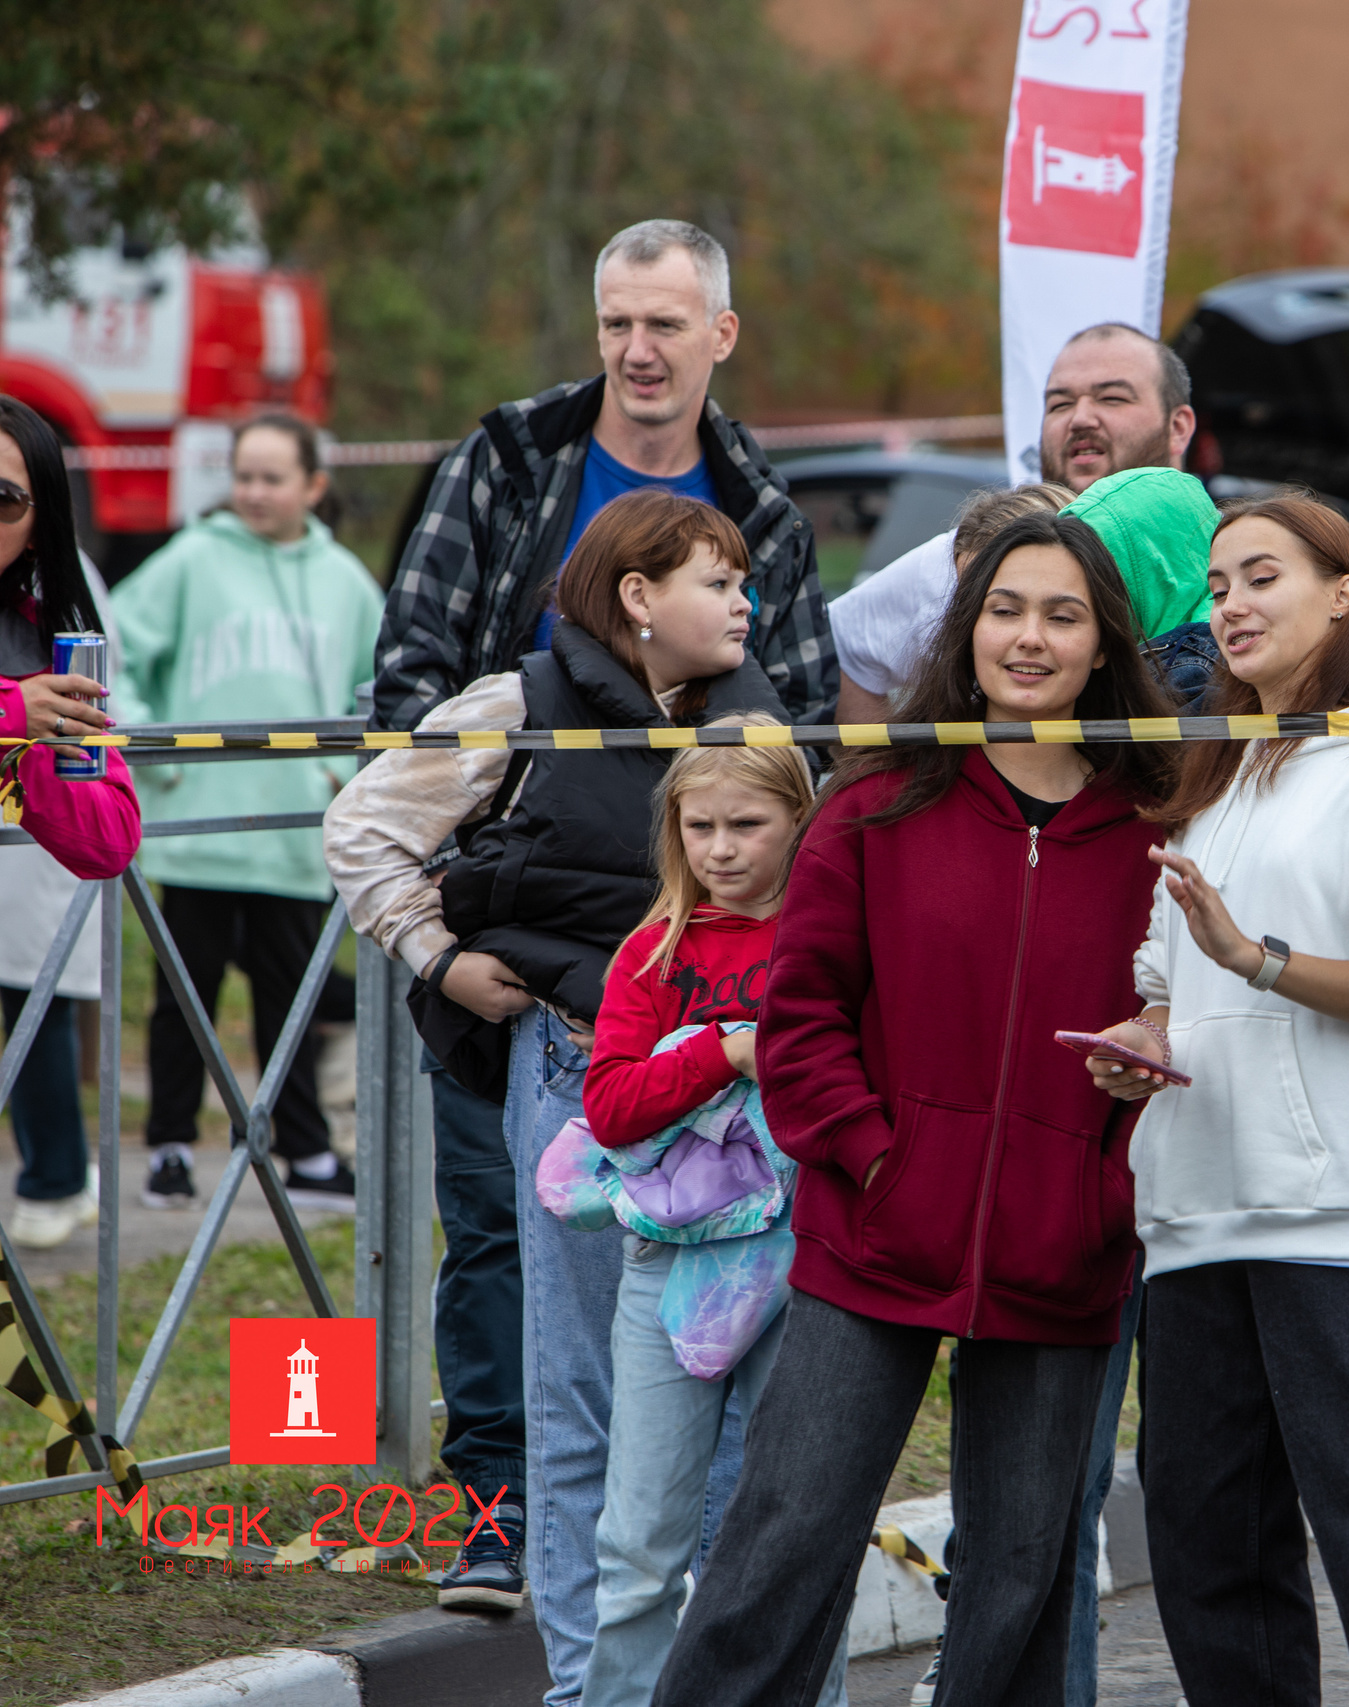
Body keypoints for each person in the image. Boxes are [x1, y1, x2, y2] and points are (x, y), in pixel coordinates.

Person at [365, 217, 833, 1613]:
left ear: (720, 338)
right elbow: (410, 675)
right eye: (617, 321)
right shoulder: (509, 459)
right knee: (506, 1238)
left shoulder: (762, 503)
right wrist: (450, 921)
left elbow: (803, 731)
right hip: (535, 965)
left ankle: (680, 1570)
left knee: (711, 1264)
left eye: (667, 325)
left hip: (711, 981)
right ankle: (497, 1516)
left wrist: (742, 898)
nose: (637, 350)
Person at [650, 509, 1179, 1707]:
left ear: (1105, 647)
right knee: (780, 1544)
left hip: (1065, 1247)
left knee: (1022, 1576)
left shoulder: (1153, 828)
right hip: (872, 1229)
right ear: (966, 629)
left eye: (1061, 615)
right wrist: (871, 1157)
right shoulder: (877, 802)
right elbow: (802, 1016)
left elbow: (1179, 1019)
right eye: (1005, 609)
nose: (1028, 638)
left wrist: (1109, 1177)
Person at [327, 489, 788, 1688]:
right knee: (581, 1389)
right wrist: (440, 958)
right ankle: (591, 1684)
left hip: (748, 1100)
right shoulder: (516, 707)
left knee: (731, 1393)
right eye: (716, 579)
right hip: (586, 1078)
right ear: (639, 598)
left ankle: (710, 1674)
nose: (746, 601)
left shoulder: (756, 714)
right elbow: (361, 826)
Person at [1080, 493, 1349, 1705]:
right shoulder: (1208, 781)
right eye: (1214, 588)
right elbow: (1170, 995)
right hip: (1194, 1217)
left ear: (1342, 592)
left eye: (1261, 577)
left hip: (1343, 1222)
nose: (1232, 606)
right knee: (1209, 1560)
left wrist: (1256, 958)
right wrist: (1134, 1044)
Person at [572, 722, 844, 1707]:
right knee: (639, 1545)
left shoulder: (837, 937)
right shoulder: (654, 949)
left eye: (746, 824)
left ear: (800, 819)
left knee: (798, 1540)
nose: (720, 849)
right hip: (667, 1261)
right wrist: (727, 1052)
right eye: (699, 827)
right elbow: (608, 1108)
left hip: (806, 1261)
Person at [114, 412, 383, 1213]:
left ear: (313, 486)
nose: (254, 493)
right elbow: (113, 644)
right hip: (195, 829)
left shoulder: (344, 581)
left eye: (272, 477)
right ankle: (169, 1145)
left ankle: (299, 1147)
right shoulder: (193, 559)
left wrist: (337, 771)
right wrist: (143, 745)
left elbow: (379, 684)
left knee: (290, 995)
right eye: (243, 476)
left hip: (293, 833)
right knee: (183, 998)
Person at [830, 322, 1213, 722]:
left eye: (1112, 398)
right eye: (1060, 404)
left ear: (1179, 426)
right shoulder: (970, 551)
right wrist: (890, 779)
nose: (1081, 418)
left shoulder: (1235, 553)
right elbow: (846, 646)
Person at [0, 398, 137, 1251]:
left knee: (34, 1013)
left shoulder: (48, 629)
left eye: (2, 499)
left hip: (22, 904)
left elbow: (108, 837)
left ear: (39, 519)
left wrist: (39, 744)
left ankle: (55, 1176)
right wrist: (12, 713)